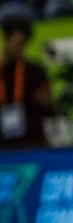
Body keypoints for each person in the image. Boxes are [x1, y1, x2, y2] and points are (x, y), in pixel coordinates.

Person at [0, 9, 54, 148]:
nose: (21, 48)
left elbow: (49, 110)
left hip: (31, 142)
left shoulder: (35, 71)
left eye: (24, 44)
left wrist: (46, 103)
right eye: (18, 43)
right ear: (6, 39)